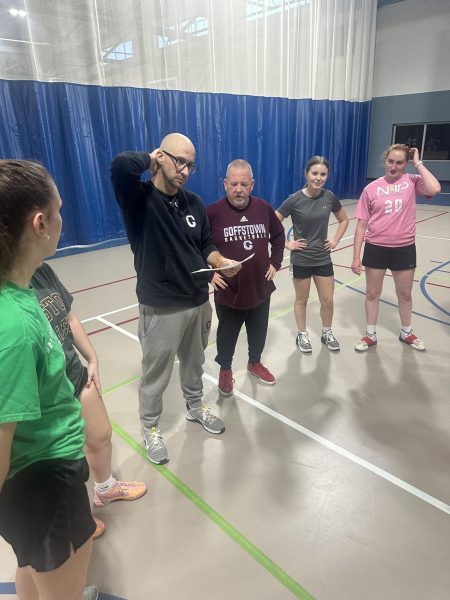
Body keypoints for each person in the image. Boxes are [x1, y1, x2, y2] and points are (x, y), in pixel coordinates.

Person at [110, 133, 240, 465]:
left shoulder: (194, 202)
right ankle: (150, 426)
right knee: (156, 372)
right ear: (161, 156)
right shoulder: (138, 199)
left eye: (190, 164)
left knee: (195, 364)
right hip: (161, 304)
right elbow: (121, 166)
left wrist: (220, 262)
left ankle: (195, 406)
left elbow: (205, 245)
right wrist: (150, 160)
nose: (184, 169)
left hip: (197, 301)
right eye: (178, 160)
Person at [0, 160, 94, 600]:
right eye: (58, 210)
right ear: (40, 223)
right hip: (43, 484)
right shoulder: (14, 328)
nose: (62, 218)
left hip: (39, 485)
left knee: (31, 569)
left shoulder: (18, 292)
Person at [31, 262, 147, 538]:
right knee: (66, 463)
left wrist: (92, 358)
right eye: (55, 215)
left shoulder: (42, 270)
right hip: (45, 395)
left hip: (73, 372)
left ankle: (105, 489)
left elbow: (69, 318)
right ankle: (76, 515)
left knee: (100, 435)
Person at [206, 159, 285, 395]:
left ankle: (254, 362)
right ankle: (225, 370)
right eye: (233, 184)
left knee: (258, 331)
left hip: (260, 287)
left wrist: (276, 262)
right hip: (229, 290)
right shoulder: (212, 212)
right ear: (225, 184)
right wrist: (209, 275)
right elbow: (198, 246)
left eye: (243, 184)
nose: (238, 189)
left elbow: (279, 236)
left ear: (252, 184)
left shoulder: (263, 208)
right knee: (226, 335)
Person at [351, 144, 441, 351]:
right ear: (385, 161)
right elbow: (361, 225)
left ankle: (406, 332)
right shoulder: (371, 189)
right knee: (372, 293)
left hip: (404, 248)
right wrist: (356, 257)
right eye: (390, 161)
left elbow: (435, 189)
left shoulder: (412, 181)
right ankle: (370, 334)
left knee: (405, 294)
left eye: (399, 162)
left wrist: (418, 163)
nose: (394, 166)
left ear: (405, 164)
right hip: (376, 248)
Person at [276, 156, 349, 353]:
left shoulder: (329, 198)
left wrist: (334, 240)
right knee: (302, 300)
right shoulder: (294, 199)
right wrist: (287, 244)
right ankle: (302, 335)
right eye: (314, 173)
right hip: (301, 259)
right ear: (306, 174)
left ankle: (327, 332)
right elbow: (272, 223)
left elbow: (344, 220)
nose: (318, 178)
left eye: (323, 174)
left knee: (328, 300)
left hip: (322, 258)